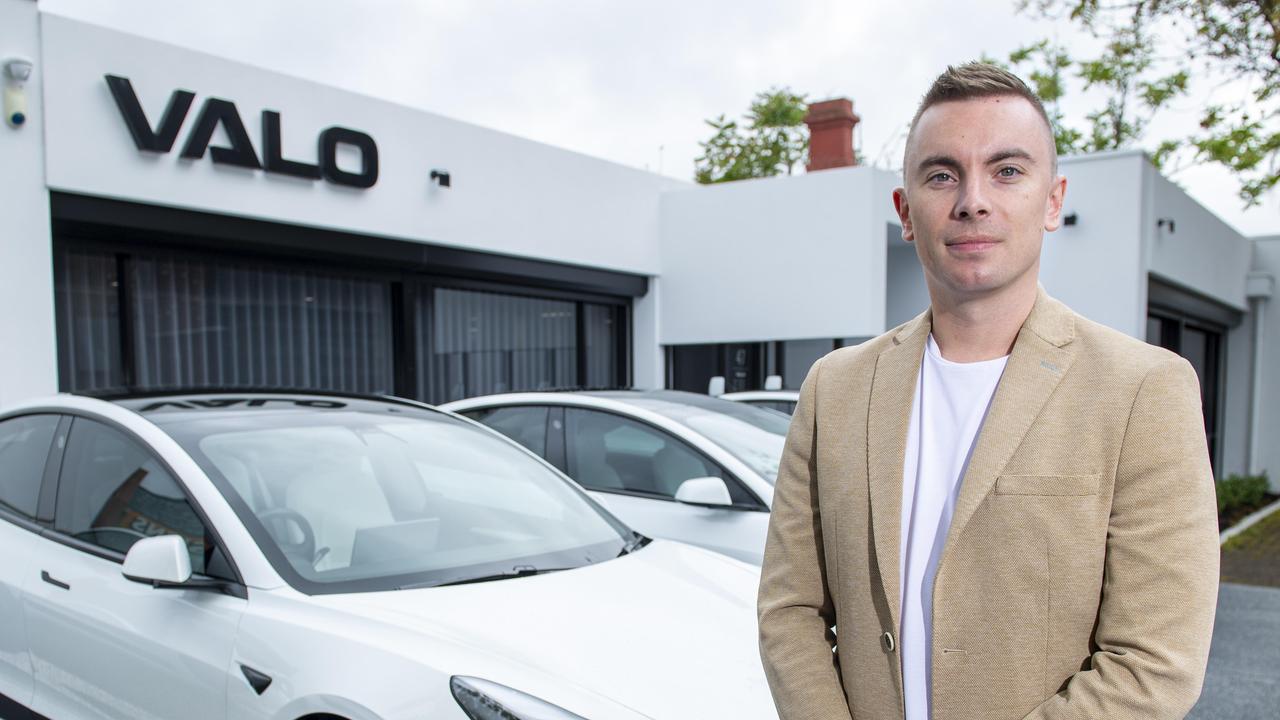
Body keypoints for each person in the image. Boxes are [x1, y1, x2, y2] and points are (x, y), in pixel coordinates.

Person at [757, 62, 1219, 720]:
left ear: (1053, 200)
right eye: (942, 174)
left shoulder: (1144, 390)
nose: (973, 199)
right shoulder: (835, 387)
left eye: (1006, 171)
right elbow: (789, 612)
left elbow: (1154, 663)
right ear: (905, 211)